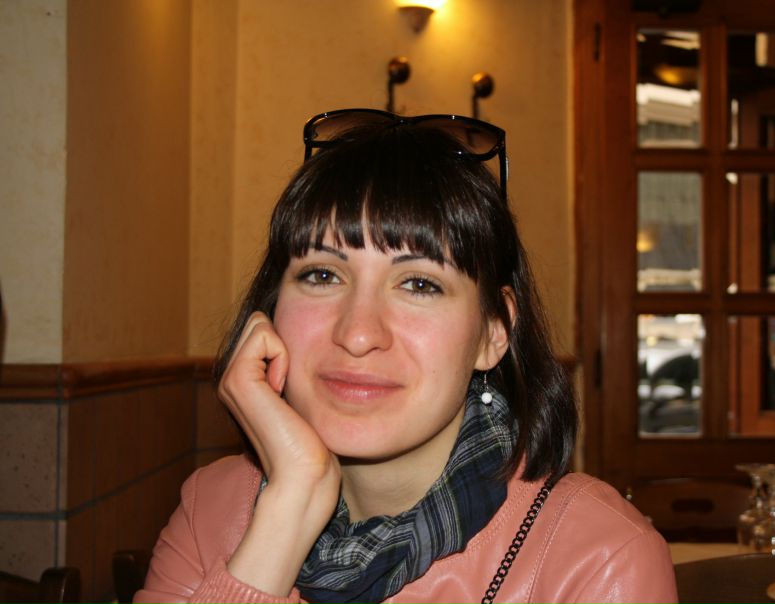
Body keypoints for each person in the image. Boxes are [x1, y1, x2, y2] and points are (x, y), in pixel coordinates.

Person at [135, 109, 677, 604]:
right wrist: (289, 506)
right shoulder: (211, 511)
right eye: (322, 275)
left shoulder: (599, 560)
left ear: (494, 332)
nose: (358, 334)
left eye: (419, 284)